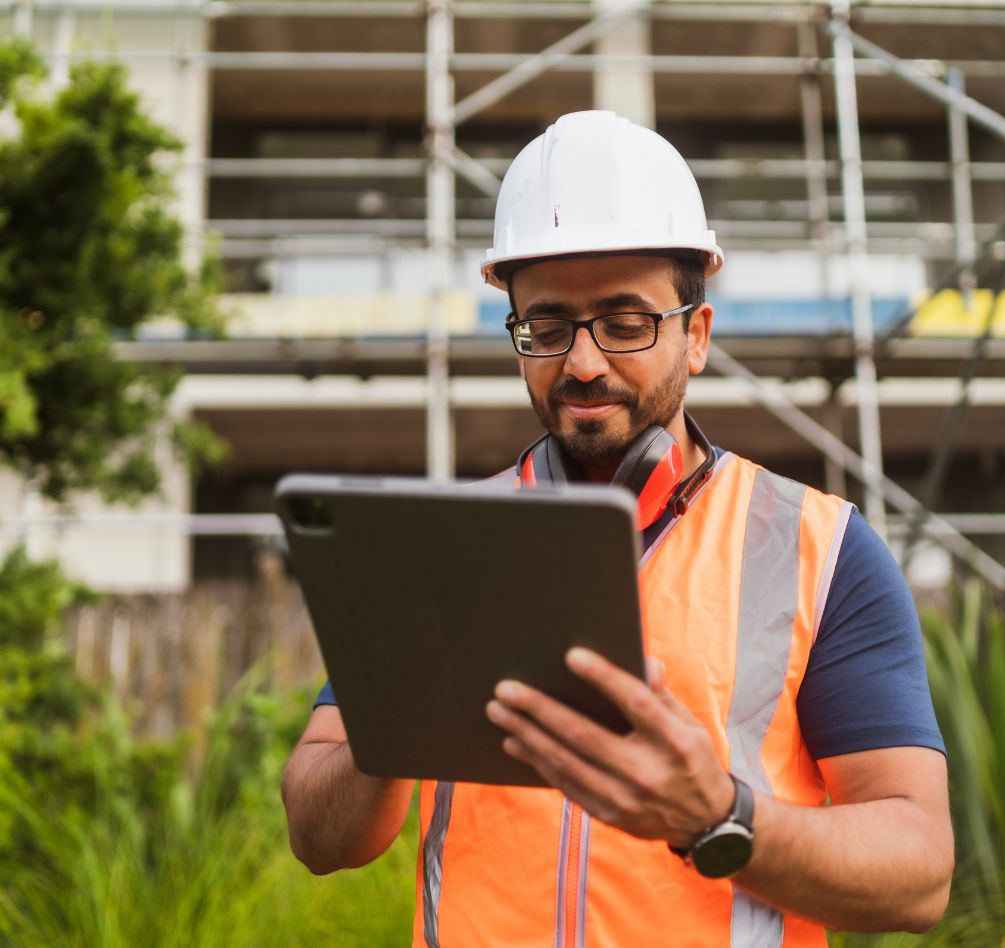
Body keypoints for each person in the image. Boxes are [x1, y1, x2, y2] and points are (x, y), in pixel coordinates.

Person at [282, 110, 954, 947]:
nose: (584, 363)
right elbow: (318, 836)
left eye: (627, 322)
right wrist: (404, 711)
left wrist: (721, 817)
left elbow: (919, 873)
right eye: (549, 327)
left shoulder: (821, 551)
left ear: (696, 335)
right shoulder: (440, 546)